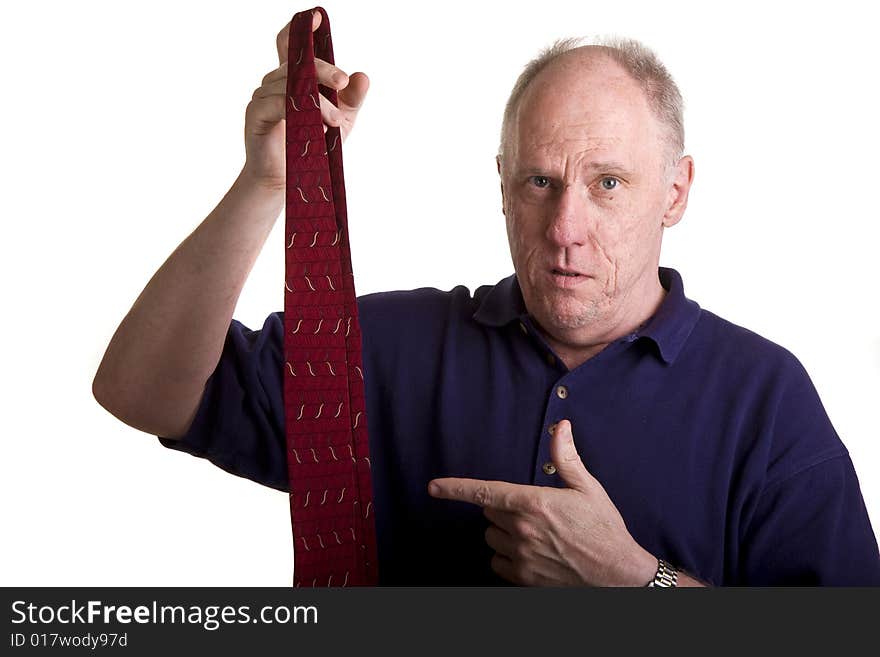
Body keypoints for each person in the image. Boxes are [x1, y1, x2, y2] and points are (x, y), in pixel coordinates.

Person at [93, 10, 880, 586]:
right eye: (540, 181)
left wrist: (640, 585)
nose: (566, 226)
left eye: (608, 183)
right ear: (502, 186)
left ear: (675, 192)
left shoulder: (766, 400)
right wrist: (266, 183)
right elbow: (140, 390)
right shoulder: (387, 349)